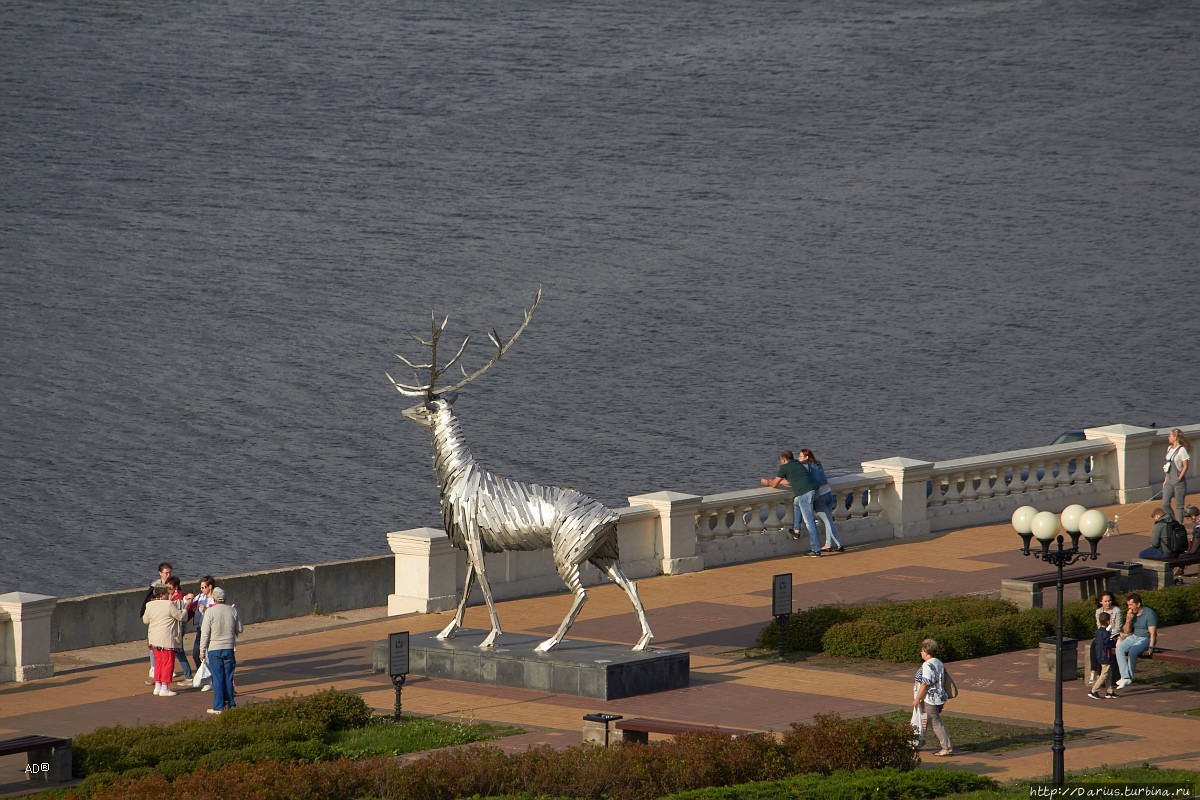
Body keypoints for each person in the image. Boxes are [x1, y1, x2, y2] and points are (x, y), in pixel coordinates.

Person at [761, 450, 821, 557]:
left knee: (809, 522)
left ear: (783, 460)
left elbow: (774, 484)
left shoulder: (784, 467)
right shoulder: (797, 463)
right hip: (814, 490)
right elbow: (791, 480)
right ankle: (796, 530)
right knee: (796, 502)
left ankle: (816, 550)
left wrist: (767, 482)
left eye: (780, 460)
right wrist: (777, 481)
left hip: (805, 493)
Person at [199, 586, 242, 714]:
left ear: (214, 598)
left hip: (214, 649)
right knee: (229, 677)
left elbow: (205, 633)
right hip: (229, 647)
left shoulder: (210, 612)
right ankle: (231, 704)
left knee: (218, 678)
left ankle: (218, 707)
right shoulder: (233, 610)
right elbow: (240, 629)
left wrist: (202, 651)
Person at [912, 638, 953, 756]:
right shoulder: (938, 662)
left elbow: (926, 683)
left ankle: (946, 748)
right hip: (940, 696)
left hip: (931, 698)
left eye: (922, 650)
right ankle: (917, 742)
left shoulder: (927, 664)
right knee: (928, 721)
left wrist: (917, 698)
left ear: (927, 651)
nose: (921, 653)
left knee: (935, 722)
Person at [141, 584, 184, 697]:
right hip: (166, 639)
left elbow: (145, 620)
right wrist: (187, 606)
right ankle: (165, 687)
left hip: (154, 638)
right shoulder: (169, 604)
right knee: (168, 663)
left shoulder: (149, 605)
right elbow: (181, 617)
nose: (169, 594)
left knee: (158, 663)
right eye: (167, 592)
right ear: (163, 594)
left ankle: (158, 686)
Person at [799, 448, 843, 552]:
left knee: (828, 522)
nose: (798, 458)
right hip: (828, 493)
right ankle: (828, 544)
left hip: (820, 497)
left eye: (800, 456)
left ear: (807, 457)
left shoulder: (807, 467)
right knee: (828, 520)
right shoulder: (818, 464)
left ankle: (839, 544)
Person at [139, 562, 173, 685]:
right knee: (155, 646)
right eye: (166, 573)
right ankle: (155, 669)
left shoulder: (172, 584)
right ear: (160, 573)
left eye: (169, 572)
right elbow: (147, 601)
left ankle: (163, 673)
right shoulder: (155, 586)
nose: (168, 575)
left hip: (168, 620)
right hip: (156, 619)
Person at [1115, 593, 1158, 689]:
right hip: (1134, 636)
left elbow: (1153, 633)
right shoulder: (1132, 614)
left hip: (1145, 638)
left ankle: (1128, 677)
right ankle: (1125, 676)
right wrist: (1128, 620)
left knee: (1133, 651)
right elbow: (1126, 631)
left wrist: (1151, 647)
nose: (1129, 607)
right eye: (1128, 605)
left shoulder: (1149, 613)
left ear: (1138, 604)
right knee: (1119, 649)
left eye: (1131, 605)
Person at [188, 576, 219, 688]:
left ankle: (211, 680)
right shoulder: (200, 597)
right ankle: (204, 676)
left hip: (211, 631)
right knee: (196, 654)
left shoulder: (216, 599)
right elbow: (190, 607)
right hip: (201, 629)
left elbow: (217, 614)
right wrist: (188, 600)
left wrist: (206, 610)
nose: (201, 590)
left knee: (209, 656)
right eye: (200, 587)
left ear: (210, 587)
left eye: (204, 587)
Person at [164, 576, 195, 684]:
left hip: (178, 628)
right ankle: (168, 676)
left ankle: (188, 676)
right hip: (177, 627)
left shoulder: (179, 598)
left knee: (178, 652)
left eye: (170, 588)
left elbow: (179, 614)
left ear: (176, 587)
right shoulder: (176, 597)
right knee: (176, 652)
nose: (168, 591)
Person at [1088, 592, 1122, 684]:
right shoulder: (1098, 612)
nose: (1108, 603)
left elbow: (1118, 628)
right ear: (1101, 602)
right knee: (1094, 646)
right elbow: (1100, 627)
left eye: (1109, 601)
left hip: (1113, 636)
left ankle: (1100, 675)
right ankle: (1093, 672)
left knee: (1101, 645)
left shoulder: (1116, 610)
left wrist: (1107, 635)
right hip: (1103, 636)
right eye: (1105, 601)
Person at [1162, 428, 1190, 523]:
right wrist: (1166, 479)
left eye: (1170, 435)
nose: (1168, 437)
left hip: (1178, 481)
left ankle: (1179, 526)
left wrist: (1180, 477)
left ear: (1175, 437)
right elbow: (1167, 465)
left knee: (1179, 506)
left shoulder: (1182, 450)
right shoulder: (1169, 448)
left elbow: (1185, 466)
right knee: (1165, 503)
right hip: (1169, 480)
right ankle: (1173, 521)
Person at [1088, 612, 1117, 700]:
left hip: (1100, 655)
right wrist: (1114, 641)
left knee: (1109, 673)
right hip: (1106, 656)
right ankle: (1094, 690)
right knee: (1104, 674)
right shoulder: (1105, 633)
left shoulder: (1098, 632)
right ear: (1108, 621)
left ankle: (1109, 691)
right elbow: (1107, 644)